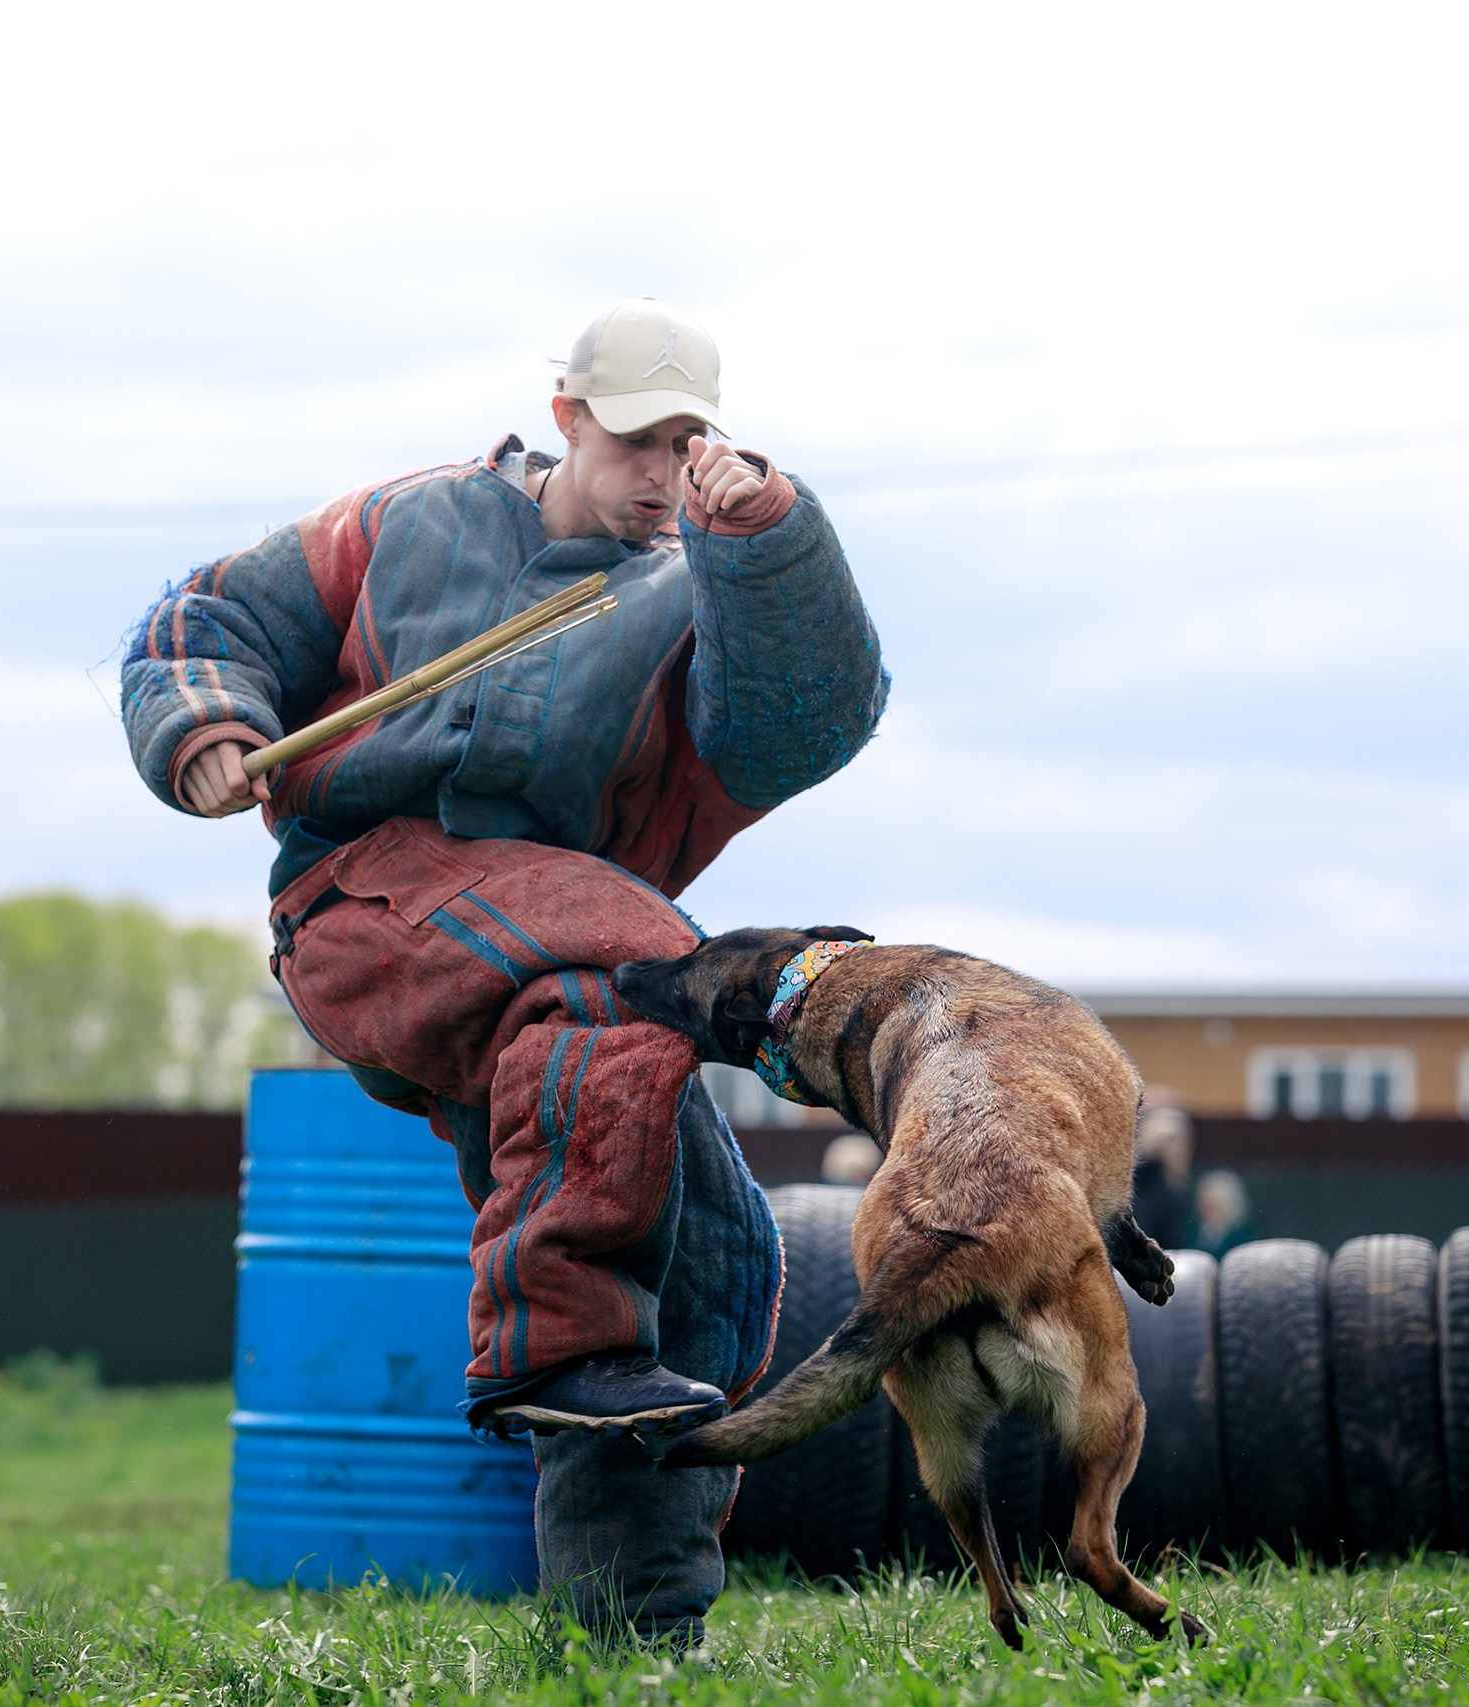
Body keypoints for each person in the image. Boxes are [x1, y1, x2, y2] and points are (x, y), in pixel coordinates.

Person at [122, 298, 887, 1646]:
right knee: (640, 956)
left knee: (716, 1247)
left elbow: (805, 721)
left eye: (691, 439)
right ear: (569, 415)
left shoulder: (697, 586)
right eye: (641, 438)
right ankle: (562, 1342)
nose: (665, 470)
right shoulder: (400, 522)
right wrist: (206, 728)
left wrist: (765, 530)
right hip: (366, 901)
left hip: (569, 978)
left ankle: (630, 1631)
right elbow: (207, 614)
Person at [1131, 1104, 1195, 1251]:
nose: (1180, 1149)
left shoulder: (1184, 1191)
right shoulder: (1148, 1192)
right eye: (1170, 1141)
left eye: (1184, 1142)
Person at [1194, 1168, 1254, 1258]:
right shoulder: (1190, 1232)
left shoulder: (1243, 1238)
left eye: (1212, 1206)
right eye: (1204, 1205)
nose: (1206, 1211)